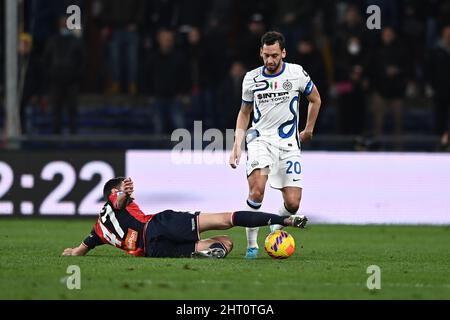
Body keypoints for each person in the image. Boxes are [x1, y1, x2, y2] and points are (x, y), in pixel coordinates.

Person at [229, 31, 321, 259]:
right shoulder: (251, 78)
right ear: (261, 52)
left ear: (284, 53)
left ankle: (275, 227)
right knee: (257, 190)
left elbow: (315, 99)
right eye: (266, 55)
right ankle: (252, 246)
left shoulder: (296, 73)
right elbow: (244, 112)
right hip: (260, 140)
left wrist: (308, 129)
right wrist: (237, 144)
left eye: (275, 55)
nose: (270, 60)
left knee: (293, 203)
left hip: (289, 144)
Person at [62, 177, 307, 259]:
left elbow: (83, 247)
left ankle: (202, 250)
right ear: (115, 193)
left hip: (152, 251)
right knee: (226, 219)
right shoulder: (117, 202)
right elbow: (118, 201)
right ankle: (284, 220)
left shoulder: (98, 229)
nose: (131, 195)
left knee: (226, 243)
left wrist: (72, 252)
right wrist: (124, 194)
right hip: (158, 225)